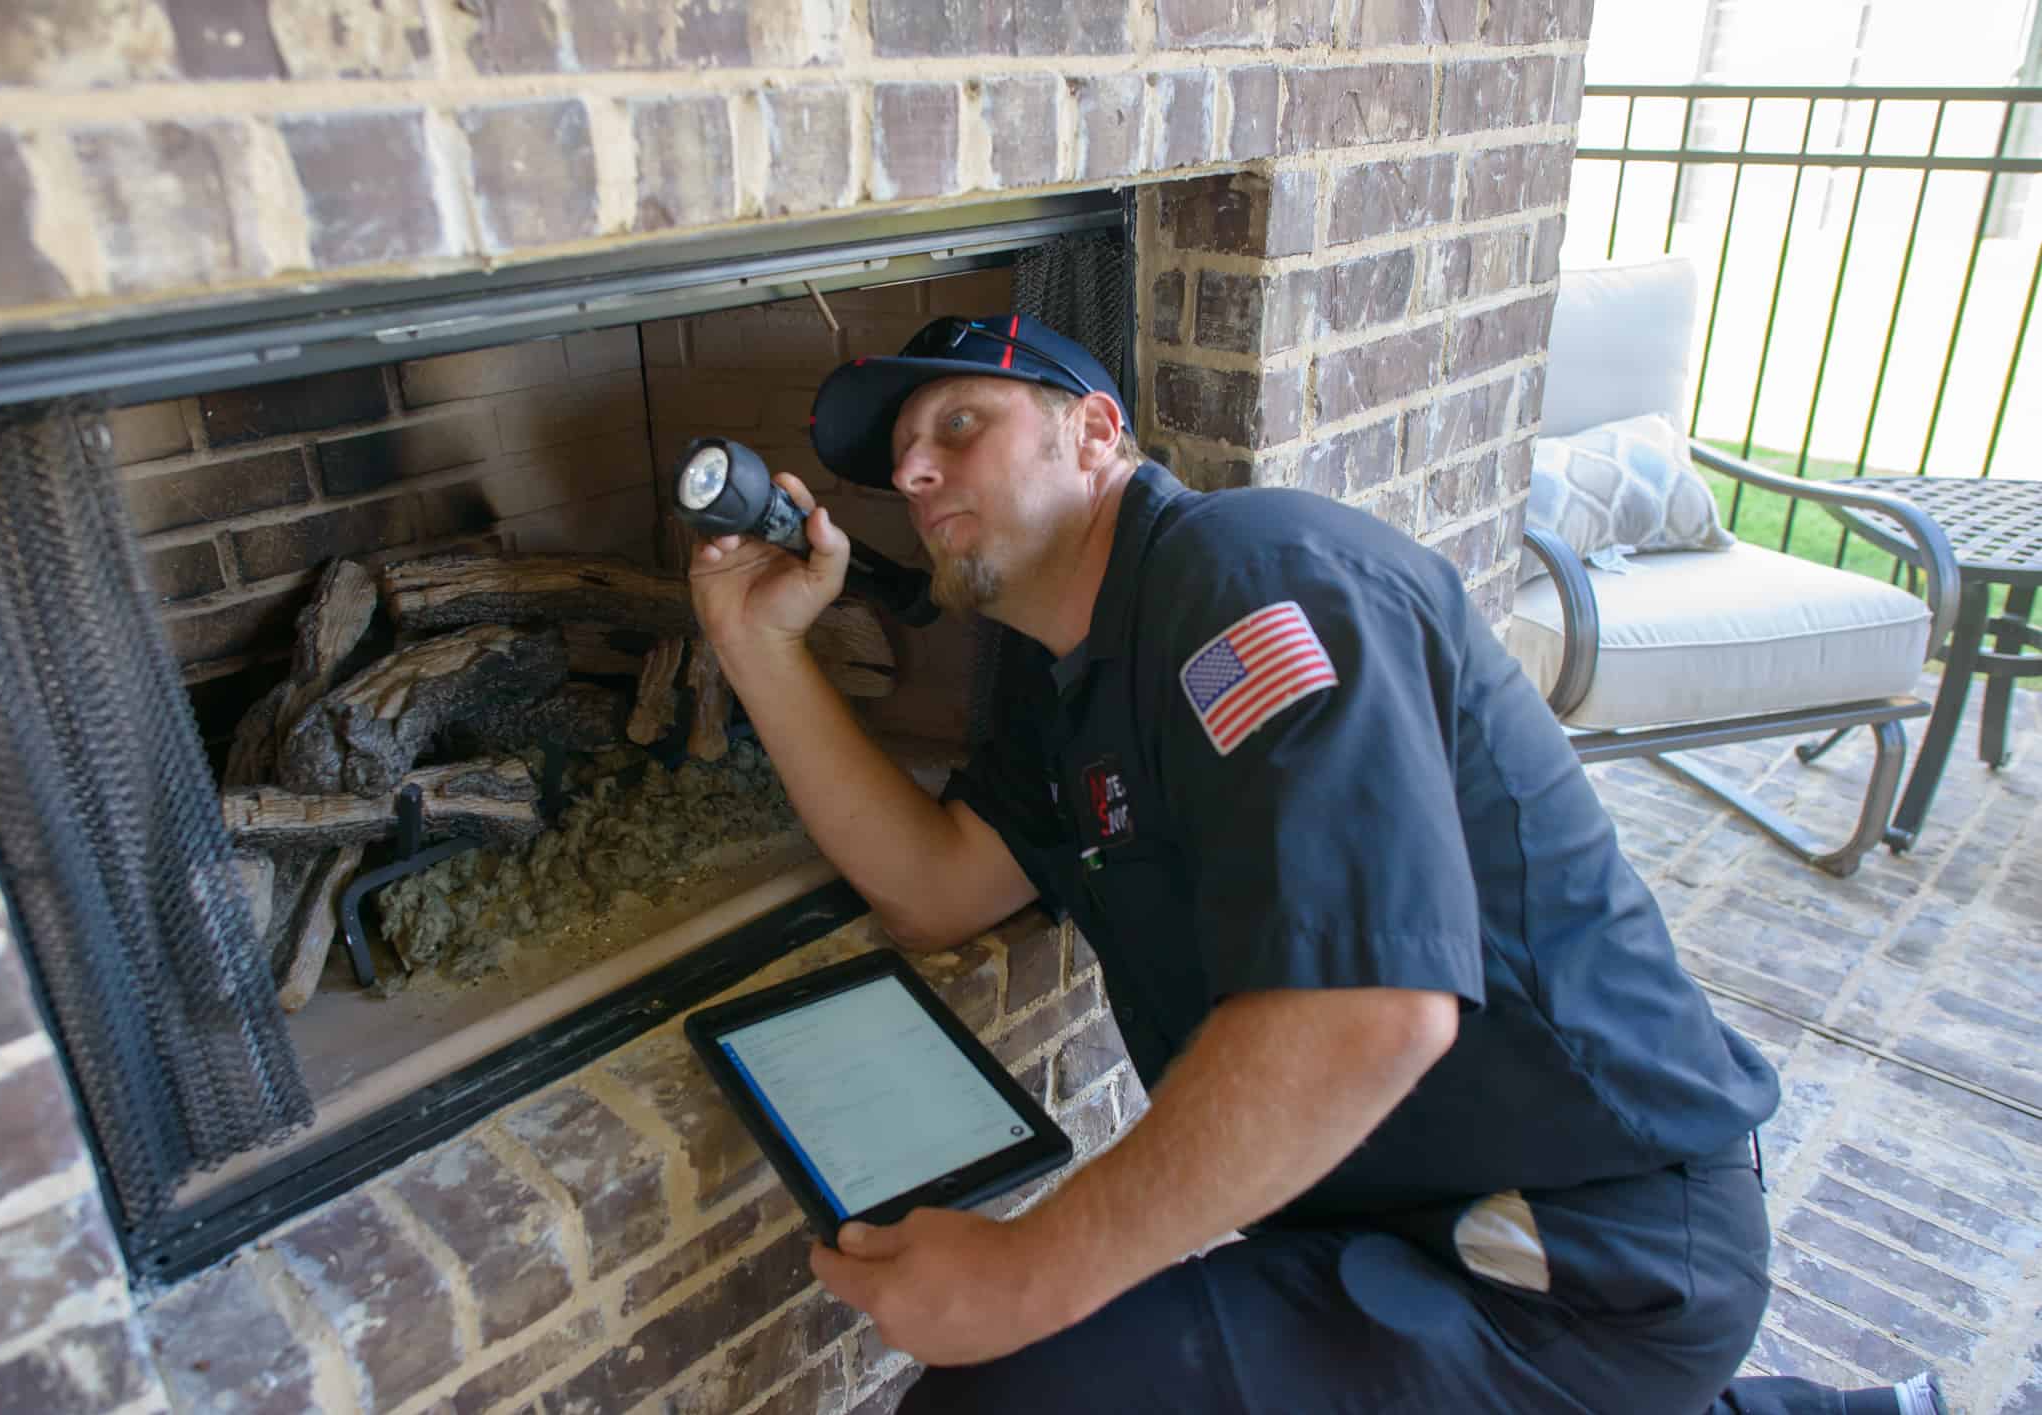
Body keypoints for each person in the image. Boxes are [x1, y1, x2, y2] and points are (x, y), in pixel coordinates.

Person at [685, 313, 1949, 1415]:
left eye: (959, 423)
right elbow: (934, 890)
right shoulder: (1068, 688)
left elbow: (1366, 1013)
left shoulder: (1247, 580)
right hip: (1394, 1223)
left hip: (1576, 1257)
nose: (913, 469)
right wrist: (759, 647)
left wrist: (1024, 1278)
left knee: (1010, 1404)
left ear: (1091, 432)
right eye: (902, 460)